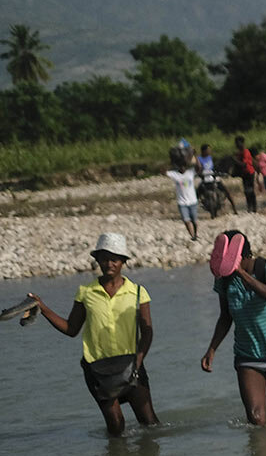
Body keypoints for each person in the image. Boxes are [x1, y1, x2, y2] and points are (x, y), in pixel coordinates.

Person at [27, 233, 160, 437]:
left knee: (150, 424)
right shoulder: (86, 292)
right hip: (98, 370)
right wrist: (42, 308)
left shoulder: (138, 292)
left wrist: (139, 360)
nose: (109, 263)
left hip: (132, 366)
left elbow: (148, 331)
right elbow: (71, 329)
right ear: (97, 260)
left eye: (115, 258)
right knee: (116, 426)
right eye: (104, 258)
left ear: (123, 262)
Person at [201, 229, 266, 425]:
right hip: (248, 354)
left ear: (245, 256)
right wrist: (211, 349)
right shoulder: (224, 280)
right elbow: (225, 316)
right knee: (255, 419)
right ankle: (263, 455)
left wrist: (242, 273)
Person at [165, 160, 200, 241]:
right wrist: (170, 163)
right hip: (182, 202)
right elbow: (164, 172)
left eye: (184, 166)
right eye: (180, 166)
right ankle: (193, 236)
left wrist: (196, 157)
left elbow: (199, 168)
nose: (182, 168)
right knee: (186, 220)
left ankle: (195, 234)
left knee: (194, 221)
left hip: (192, 201)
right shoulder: (174, 174)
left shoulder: (190, 172)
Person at [232, 136, 257, 214]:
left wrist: (234, 160)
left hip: (249, 172)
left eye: (237, 143)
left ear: (241, 143)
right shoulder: (240, 152)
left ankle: (253, 207)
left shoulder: (246, 152)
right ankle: (250, 207)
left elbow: (244, 164)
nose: (236, 145)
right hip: (244, 173)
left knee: (250, 190)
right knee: (246, 191)